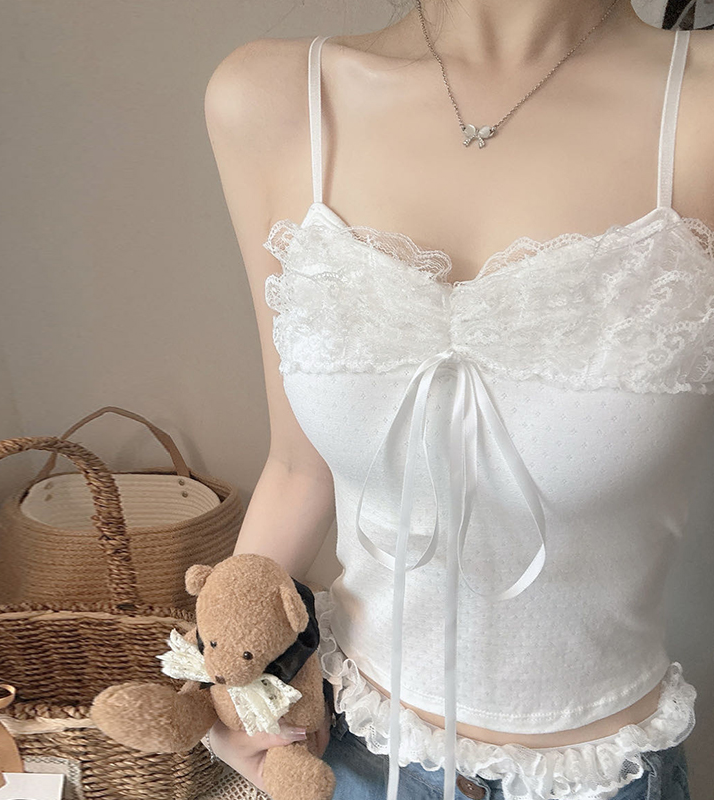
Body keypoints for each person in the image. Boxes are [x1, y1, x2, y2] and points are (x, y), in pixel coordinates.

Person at [202, 0, 713, 798]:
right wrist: (230, 681)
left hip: (599, 776)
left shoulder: (698, 110)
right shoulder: (271, 99)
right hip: (354, 755)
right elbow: (298, 468)